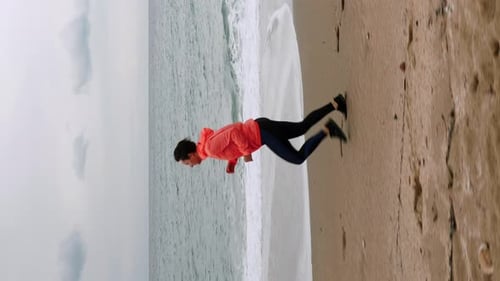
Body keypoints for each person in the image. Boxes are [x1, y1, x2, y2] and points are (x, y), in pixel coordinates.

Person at [174, 94, 348, 174]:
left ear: (190, 155)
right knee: (301, 128)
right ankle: (336, 104)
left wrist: (246, 153)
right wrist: (232, 162)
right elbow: (230, 142)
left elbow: (234, 132)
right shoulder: (206, 146)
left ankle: (329, 129)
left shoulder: (210, 148)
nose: (191, 165)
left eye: (187, 162)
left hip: (261, 134)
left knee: (297, 158)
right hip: (260, 127)